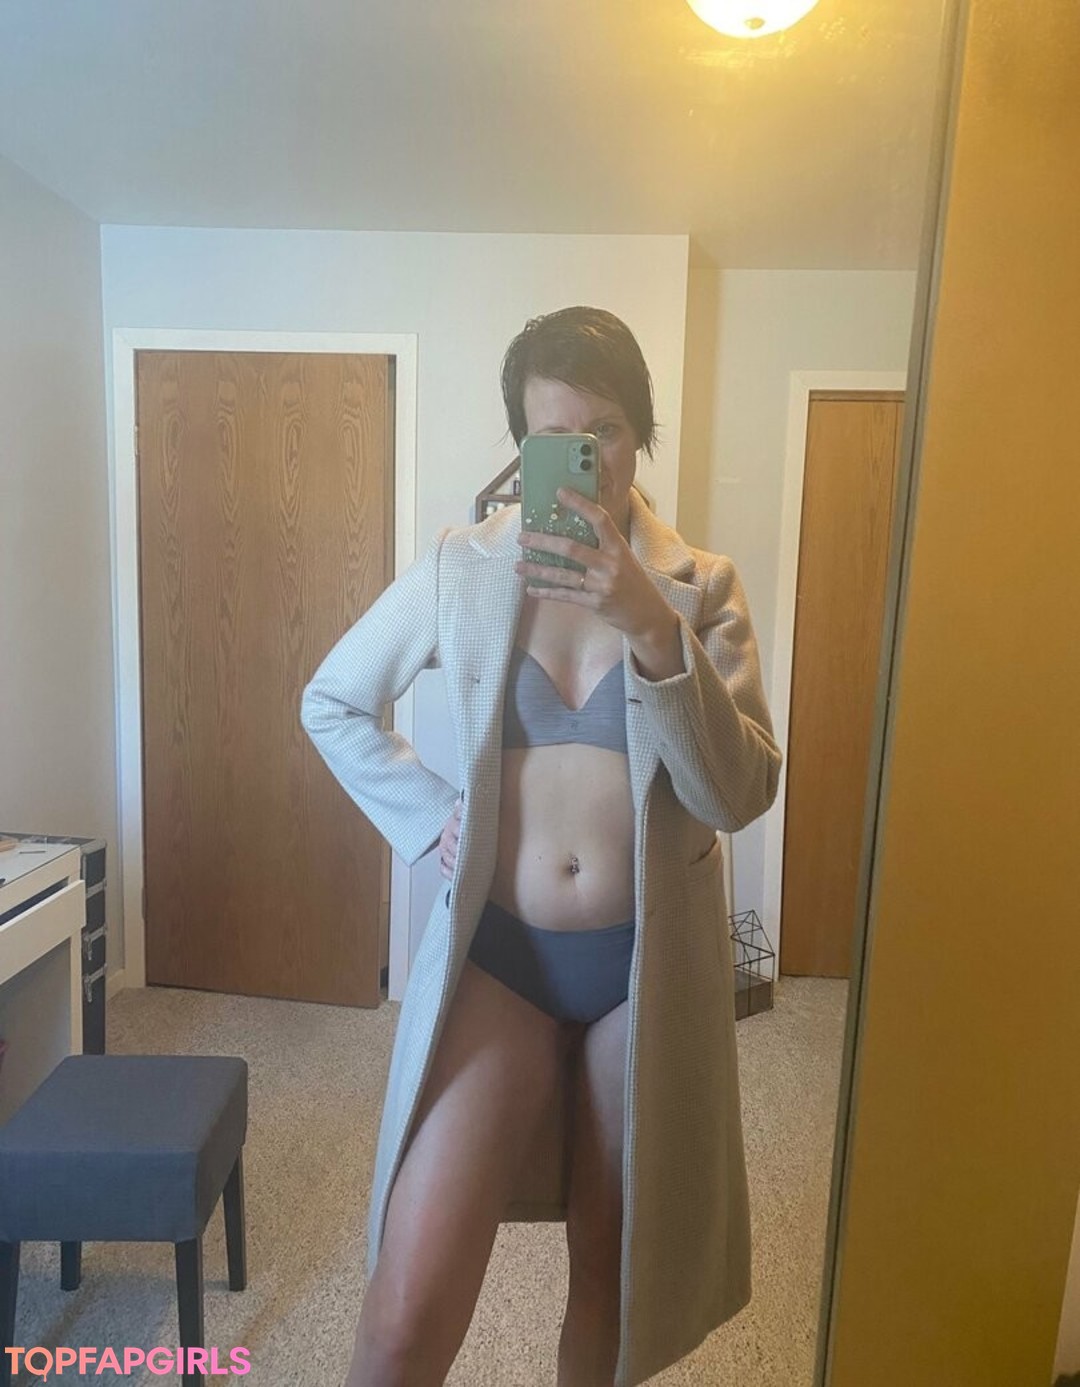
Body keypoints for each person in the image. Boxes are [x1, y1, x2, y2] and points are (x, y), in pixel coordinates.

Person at [301, 306, 782, 1387]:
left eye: (603, 430)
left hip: (642, 977)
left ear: (640, 433)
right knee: (402, 1310)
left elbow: (739, 791)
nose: (581, 459)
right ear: (522, 445)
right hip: (502, 960)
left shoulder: (700, 585)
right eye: (551, 436)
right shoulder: (464, 568)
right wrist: (431, 813)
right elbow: (332, 700)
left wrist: (651, 625)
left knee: (611, 1292)